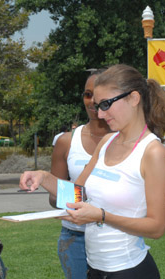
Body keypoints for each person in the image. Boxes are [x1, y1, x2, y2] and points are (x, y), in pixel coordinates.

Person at [20, 64, 165, 278]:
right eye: (98, 106)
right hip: (96, 270)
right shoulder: (107, 142)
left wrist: (101, 216)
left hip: (129, 271)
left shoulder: (152, 152)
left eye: (106, 104)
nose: (100, 114)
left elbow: (156, 228)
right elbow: (76, 194)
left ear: (134, 98)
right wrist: (43, 177)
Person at [49, 69, 111, 279]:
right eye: (87, 94)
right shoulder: (67, 141)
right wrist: (76, 199)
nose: (93, 101)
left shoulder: (128, 141)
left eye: (100, 95)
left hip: (115, 236)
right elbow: (53, 197)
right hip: (74, 238)